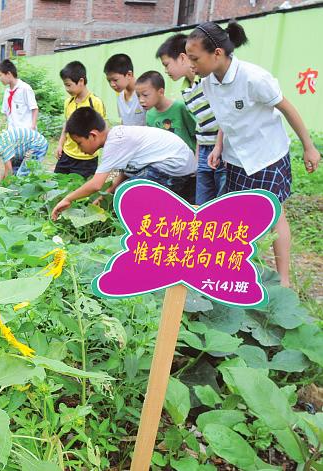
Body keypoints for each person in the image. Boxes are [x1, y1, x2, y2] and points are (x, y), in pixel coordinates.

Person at [186, 21, 320, 287]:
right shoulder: (210, 82)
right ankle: (232, 268)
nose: (191, 65)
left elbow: (287, 108)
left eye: (194, 58)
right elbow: (226, 117)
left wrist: (309, 146)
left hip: (266, 155)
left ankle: (283, 280)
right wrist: (219, 145)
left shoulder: (253, 78)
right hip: (236, 158)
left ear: (217, 54)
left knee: (274, 213)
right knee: (233, 215)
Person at [50, 107, 196, 221]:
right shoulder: (118, 136)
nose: (79, 148)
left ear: (93, 135)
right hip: (176, 165)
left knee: (128, 194)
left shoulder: (115, 142)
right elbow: (124, 173)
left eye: (79, 143)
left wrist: (68, 198)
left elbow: (96, 184)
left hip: (173, 165)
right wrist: (105, 197)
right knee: (123, 189)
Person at [157, 33, 225, 204]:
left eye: (167, 65)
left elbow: (224, 116)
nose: (166, 71)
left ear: (182, 58)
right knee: (202, 203)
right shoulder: (186, 88)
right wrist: (197, 158)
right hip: (203, 150)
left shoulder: (207, 80)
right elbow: (200, 125)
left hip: (222, 149)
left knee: (221, 201)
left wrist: (219, 146)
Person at [55, 61, 107, 179]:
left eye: (69, 85)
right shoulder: (68, 102)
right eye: (65, 85)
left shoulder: (95, 103)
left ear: (81, 81)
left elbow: (102, 131)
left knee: (81, 193)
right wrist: (60, 145)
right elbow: (66, 125)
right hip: (66, 155)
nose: (66, 89)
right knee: (57, 188)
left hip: (86, 160)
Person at [136, 71, 197, 152]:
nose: (141, 100)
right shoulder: (149, 115)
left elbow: (198, 134)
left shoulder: (180, 108)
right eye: (138, 96)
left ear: (160, 92)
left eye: (145, 95)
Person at [103, 54, 146, 126]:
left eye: (115, 80)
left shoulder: (145, 93)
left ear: (129, 75)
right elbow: (124, 121)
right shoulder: (119, 94)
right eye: (109, 81)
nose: (112, 84)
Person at [0, 59, 38, 130]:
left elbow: (34, 109)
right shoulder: (7, 92)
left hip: (26, 132)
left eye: (0, 75)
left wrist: (33, 126)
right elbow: (6, 113)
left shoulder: (25, 88)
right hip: (13, 133)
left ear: (9, 74)